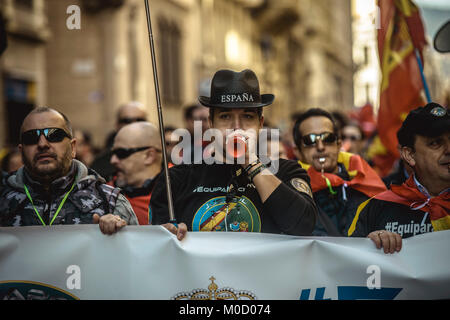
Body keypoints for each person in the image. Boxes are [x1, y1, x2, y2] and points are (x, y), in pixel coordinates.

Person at [150, 69, 317, 236]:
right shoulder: (176, 179)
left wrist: (251, 163)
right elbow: (157, 244)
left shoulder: (287, 171)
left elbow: (303, 226)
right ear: (211, 123)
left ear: (260, 123)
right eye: (225, 116)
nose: (237, 126)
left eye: (247, 116)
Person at [0, 107, 138, 235]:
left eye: (54, 135)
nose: (42, 144)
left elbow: (134, 256)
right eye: (31, 137)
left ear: (73, 148)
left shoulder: (110, 202)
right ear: (21, 151)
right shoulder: (3, 197)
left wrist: (116, 234)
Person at [348, 103, 450, 253]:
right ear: (409, 155)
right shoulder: (375, 207)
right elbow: (349, 265)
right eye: (435, 143)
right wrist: (370, 246)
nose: (449, 149)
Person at [293, 108, 386, 236]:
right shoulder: (289, 196)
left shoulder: (366, 186)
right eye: (310, 140)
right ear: (297, 151)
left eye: (328, 138)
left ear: (338, 144)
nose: (320, 147)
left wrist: (383, 236)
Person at [109, 121, 164, 225]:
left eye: (121, 153)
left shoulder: (180, 189)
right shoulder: (105, 193)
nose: (113, 160)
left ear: (149, 156)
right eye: (112, 153)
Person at [91, 101, 148, 181]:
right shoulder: (101, 163)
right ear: (117, 125)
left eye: (140, 120)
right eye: (127, 120)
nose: (134, 124)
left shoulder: (162, 157)